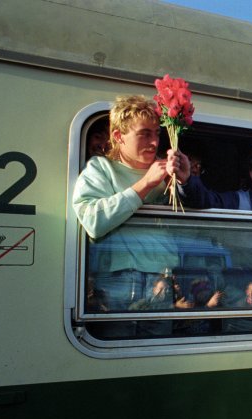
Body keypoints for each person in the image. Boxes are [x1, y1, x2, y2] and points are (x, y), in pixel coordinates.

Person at [73, 95, 188, 316]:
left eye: (156, 134)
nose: (154, 142)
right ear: (118, 136)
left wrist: (185, 184)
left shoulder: (168, 173)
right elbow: (92, 221)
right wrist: (145, 184)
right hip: (117, 279)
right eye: (144, 134)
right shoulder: (101, 168)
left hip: (163, 277)